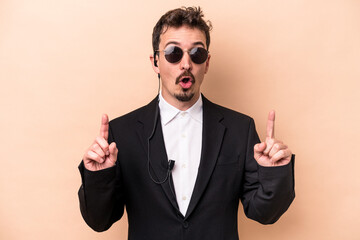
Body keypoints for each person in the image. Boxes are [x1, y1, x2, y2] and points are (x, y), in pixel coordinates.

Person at [78, 7, 295, 240]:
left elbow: (264, 213)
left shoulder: (239, 130)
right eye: (174, 53)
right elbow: (100, 221)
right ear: (155, 62)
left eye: (196, 54)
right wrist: (98, 176)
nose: (186, 64)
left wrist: (274, 173)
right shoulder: (122, 133)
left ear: (207, 63)